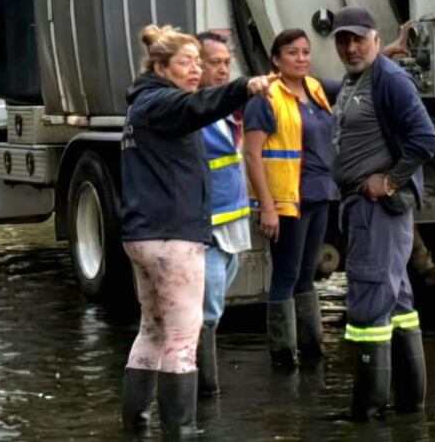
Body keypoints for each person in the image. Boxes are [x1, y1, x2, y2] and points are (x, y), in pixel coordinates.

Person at [119, 25, 273, 436]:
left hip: (143, 235)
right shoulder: (165, 104)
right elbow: (200, 107)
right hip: (173, 237)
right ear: (160, 66)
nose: (194, 70)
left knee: (151, 329)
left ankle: (135, 423)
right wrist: (245, 87)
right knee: (183, 339)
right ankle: (181, 430)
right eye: (185, 62)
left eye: (196, 62)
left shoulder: (142, 105)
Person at [329, 7, 435, 420]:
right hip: (364, 208)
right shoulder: (362, 76)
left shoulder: (388, 80)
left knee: (369, 307)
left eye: (359, 38)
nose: (351, 47)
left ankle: (367, 414)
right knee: (396, 303)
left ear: (374, 38)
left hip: (378, 207)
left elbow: (425, 138)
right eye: (343, 39)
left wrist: (389, 181)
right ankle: (410, 410)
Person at [243, 29, 339, 368]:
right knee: (286, 272)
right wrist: (266, 207)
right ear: (276, 59)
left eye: (305, 52)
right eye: (293, 53)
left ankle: (312, 351)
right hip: (287, 200)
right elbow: (252, 155)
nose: (301, 58)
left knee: (307, 273)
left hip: (319, 194)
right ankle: (283, 356)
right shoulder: (265, 97)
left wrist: (387, 50)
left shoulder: (315, 89)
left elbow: (361, 77)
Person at [193, 31, 252, 397]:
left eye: (227, 63)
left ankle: (201, 384)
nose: (223, 69)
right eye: (214, 62)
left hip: (234, 221)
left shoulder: (225, 108)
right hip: (208, 226)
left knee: (216, 303)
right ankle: (201, 389)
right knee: (208, 311)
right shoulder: (191, 110)